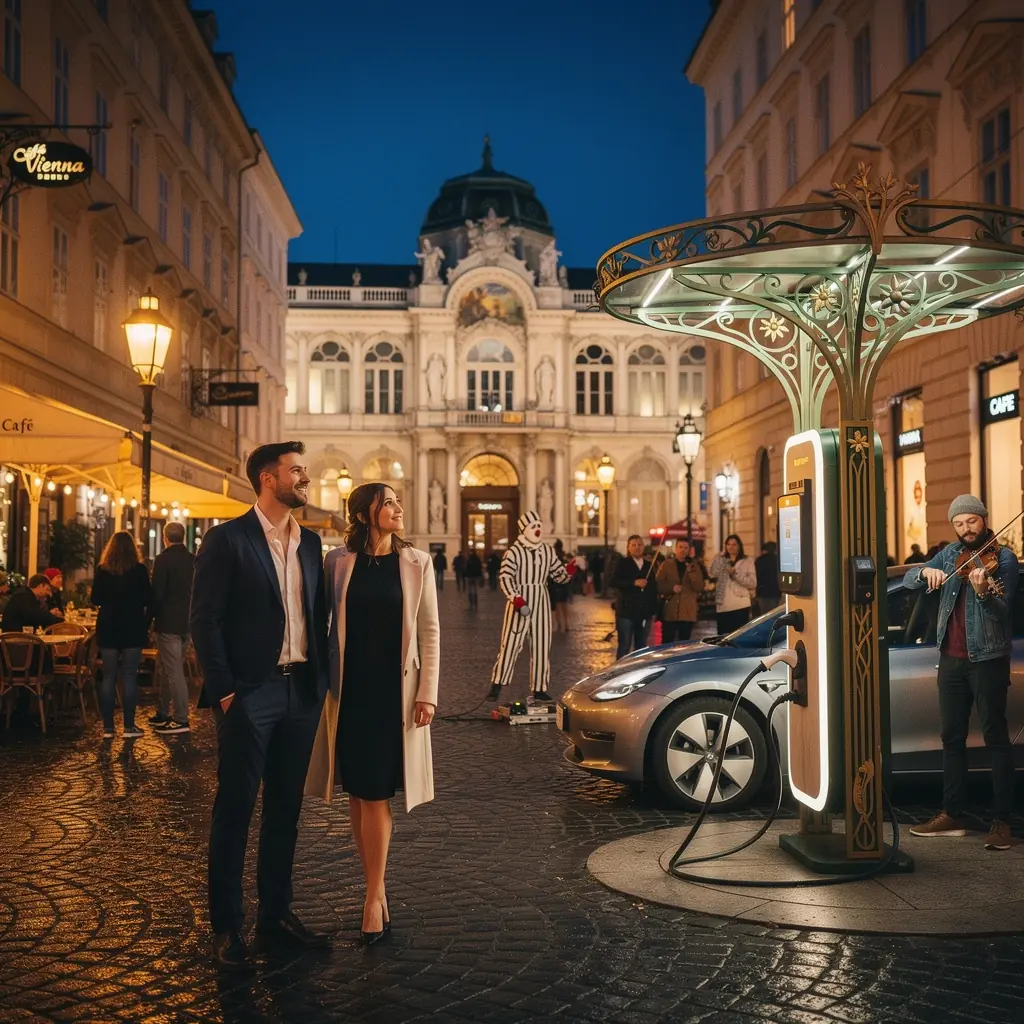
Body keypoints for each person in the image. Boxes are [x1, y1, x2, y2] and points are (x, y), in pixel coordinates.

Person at [190, 441, 331, 970]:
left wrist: (321, 682)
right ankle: (227, 927)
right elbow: (204, 619)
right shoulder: (228, 540)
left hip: (300, 693)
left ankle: (276, 914)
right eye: (298, 471)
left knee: (285, 812)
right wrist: (227, 692)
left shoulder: (311, 543)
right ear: (269, 479)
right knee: (235, 809)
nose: (306, 479)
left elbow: (317, 618)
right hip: (252, 694)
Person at [306, 482, 439, 944]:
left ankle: (372, 894)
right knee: (358, 794)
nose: (398, 508)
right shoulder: (336, 563)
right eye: (389, 503)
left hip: (394, 695)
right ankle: (375, 890)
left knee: (378, 793)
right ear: (366, 513)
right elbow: (321, 626)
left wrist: (428, 694)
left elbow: (431, 634)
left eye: (399, 501)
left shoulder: (418, 563)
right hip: (350, 693)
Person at [904, 495, 1017, 851]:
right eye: (958, 523)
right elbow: (909, 580)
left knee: (996, 738)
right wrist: (925, 571)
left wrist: (984, 594)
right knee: (951, 739)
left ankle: (1002, 822)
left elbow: (1004, 613)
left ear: (984, 519)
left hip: (987, 660)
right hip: (951, 660)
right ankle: (952, 813)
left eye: (971, 521)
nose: (966, 529)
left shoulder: (1006, 559)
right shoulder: (950, 555)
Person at [487, 511, 575, 703]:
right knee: (510, 643)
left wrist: (569, 571)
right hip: (520, 602)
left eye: (539, 526)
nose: (537, 530)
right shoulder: (514, 551)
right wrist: (515, 598)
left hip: (541, 599)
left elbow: (558, 575)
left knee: (542, 645)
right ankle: (498, 683)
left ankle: (539, 688)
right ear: (525, 530)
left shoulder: (547, 550)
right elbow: (505, 577)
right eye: (533, 527)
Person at [91, 531, 152, 740]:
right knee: (129, 675)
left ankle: (108, 728)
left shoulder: (102, 570)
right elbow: (147, 598)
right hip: (132, 627)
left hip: (108, 626)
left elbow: (95, 598)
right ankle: (129, 726)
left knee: (108, 676)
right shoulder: (140, 570)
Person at [149, 521, 195, 735]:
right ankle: (163, 712)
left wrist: (149, 618)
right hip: (188, 623)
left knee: (174, 671)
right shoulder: (193, 560)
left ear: (165, 538)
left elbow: (157, 594)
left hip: (168, 623)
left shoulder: (163, 560)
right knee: (169, 668)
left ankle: (181, 718)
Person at [613, 535, 659, 659]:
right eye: (634, 545)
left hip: (644, 613)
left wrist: (653, 610)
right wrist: (633, 583)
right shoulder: (622, 563)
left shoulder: (649, 565)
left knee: (641, 646)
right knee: (624, 646)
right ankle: (620, 672)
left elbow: (654, 588)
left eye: (639, 545)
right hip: (626, 612)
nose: (637, 547)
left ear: (643, 547)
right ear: (628, 547)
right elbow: (614, 581)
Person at [656, 539, 704, 643]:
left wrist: (691, 571)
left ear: (689, 550)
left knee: (684, 643)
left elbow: (699, 587)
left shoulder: (694, 566)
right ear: (675, 549)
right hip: (670, 611)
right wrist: (671, 588)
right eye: (680, 547)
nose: (683, 550)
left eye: (686, 548)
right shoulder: (666, 564)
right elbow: (658, 585)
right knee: (667, 642)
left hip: (687, 611)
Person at [709, 534, 756, 635]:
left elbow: (752, 583)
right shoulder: (720, 559)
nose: (731, 547)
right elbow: (711, 573)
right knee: (722, 637)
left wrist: (735, 576)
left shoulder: (747, 561)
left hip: (740, 604)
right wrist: (718, 559)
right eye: (728, 544)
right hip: (723, 604)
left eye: (734, 544)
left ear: (739, 546)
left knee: (739, 636)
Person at [549, 540, 572, 633]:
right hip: (565, 584)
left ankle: (559, 624)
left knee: (558, 604)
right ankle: (566, 624)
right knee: (564, 604)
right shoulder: (565, 559)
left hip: (556, 584)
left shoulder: (553, 559)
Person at [754, 541, 781, 617]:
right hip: (775, 592)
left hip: (762, 592)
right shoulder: (778, 560)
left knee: (764, 615)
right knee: (774, 614)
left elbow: (756, 576)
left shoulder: (759, 560)